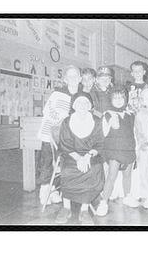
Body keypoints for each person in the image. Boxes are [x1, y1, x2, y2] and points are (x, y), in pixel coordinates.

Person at [56, 92, 105, 225]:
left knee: (93, 169)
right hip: (71, 155)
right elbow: (65, 144)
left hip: (91, 155)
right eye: (79, 102)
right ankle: (66, 207)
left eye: (85, 103)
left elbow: (99, 143)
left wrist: (88, 156)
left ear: (90, 106)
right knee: (67, 170)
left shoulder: (97, 121)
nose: (82, 105)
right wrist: (79, 158)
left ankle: (84, 209)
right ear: (74, 105)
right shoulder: (67, 122)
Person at [36, 65, 81, 206]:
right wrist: (61, 118)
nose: (73, 79)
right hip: (49, 135)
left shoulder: (80, 96)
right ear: (65, 79)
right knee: (47, 163)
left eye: (75, 76)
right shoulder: (57, 94)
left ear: (80, 78)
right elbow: (47, 110)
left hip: (66, 137)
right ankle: (44, 192)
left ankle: (53, 190)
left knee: (60, 164)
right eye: (70, 76)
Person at [96, 85, 138, 216]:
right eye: (115, 98)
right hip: (114, 149)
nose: (119, 100)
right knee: (111, 176)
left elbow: (135, 133)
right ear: (110, 99)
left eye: (122, 97)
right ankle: (103, 202)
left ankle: (127, 196)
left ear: (126, 99)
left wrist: (136, 150)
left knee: (127, 175)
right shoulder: (107, 114)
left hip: (128, 148)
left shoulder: (131, 115)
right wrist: (109, 124)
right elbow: (102, 133)